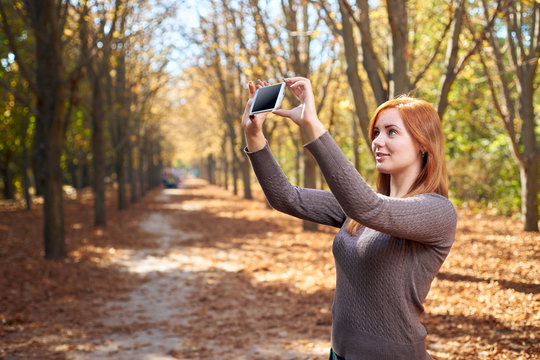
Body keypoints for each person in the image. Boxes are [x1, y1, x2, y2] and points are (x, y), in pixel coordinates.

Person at [241, 77, 457, 360]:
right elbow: (286, 198)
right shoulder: (360, 207)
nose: (377, 141)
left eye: (392, 132)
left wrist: (312, 126)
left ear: (423, 144)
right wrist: (254, 136)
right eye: (376, 132)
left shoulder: (437, 211)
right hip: (339, 354)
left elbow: (370, 208)